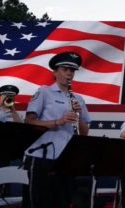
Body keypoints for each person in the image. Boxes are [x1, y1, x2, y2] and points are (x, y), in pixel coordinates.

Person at [23, 51, 91, 208]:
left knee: (63, 202)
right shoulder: (44, 92)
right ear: (54, 72)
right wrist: (58, 121)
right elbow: (29, 121)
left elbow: (84, 132)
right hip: (42, 156)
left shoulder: (78, 99)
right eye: (65, 69)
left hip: (66, 159)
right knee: (40, 202)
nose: (69, 73)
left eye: (72, 70)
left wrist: (79, 115)